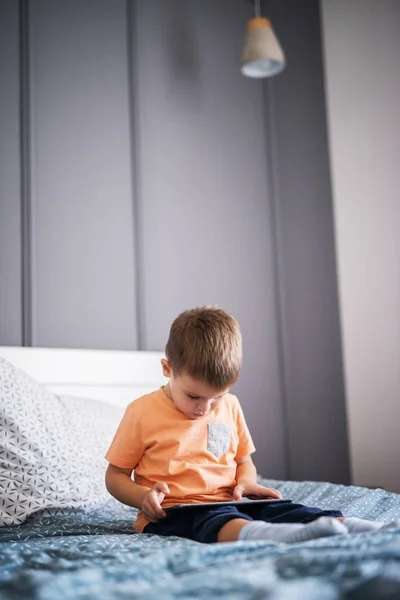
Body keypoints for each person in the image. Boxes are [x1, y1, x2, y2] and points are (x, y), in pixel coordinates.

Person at [105, 307, 398, 544]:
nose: (205, 407)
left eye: (217, 396)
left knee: (283, 509)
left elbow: (244, 460)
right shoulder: (142, 411)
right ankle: (275, 537)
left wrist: (246, 483)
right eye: (194, 396)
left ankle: (361, 527)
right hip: (173, 512)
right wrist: (144, 498)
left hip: (232, 502)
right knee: (214, 522)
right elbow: (115, 476)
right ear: (168, 369)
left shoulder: (230, 406)